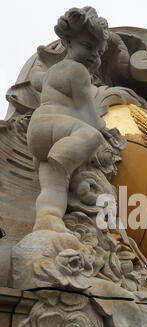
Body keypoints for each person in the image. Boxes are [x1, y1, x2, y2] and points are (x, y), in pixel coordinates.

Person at [27, 7, 111, 232]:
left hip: (39, 133)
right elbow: (87, 113)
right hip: (54, 127)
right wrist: (105, 128)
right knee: (91, 135)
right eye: (87, 46)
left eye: (97, 51)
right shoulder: (77, 71)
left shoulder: (53, 72)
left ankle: (48, 220)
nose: (93, 54)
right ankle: (61, 161)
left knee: (53, 187)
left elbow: (37, 80)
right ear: (68, 41)